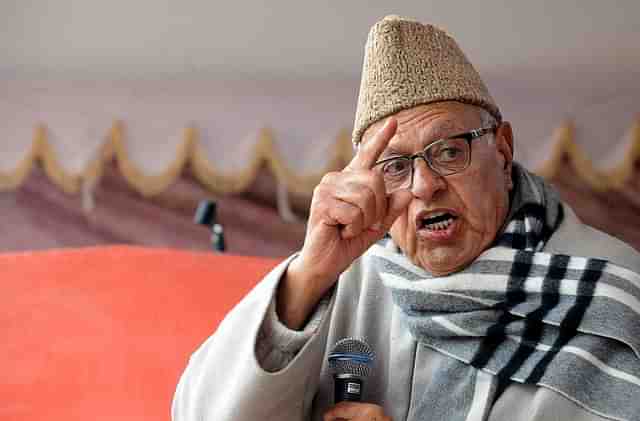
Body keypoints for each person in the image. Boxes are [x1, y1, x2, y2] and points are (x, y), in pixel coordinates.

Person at [172, 16, 640, 421]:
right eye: (395, 166)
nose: (423, 185)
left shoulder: (608, 294)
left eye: (449, 151)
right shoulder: (342, 281)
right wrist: (308, 273)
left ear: (502, 150)